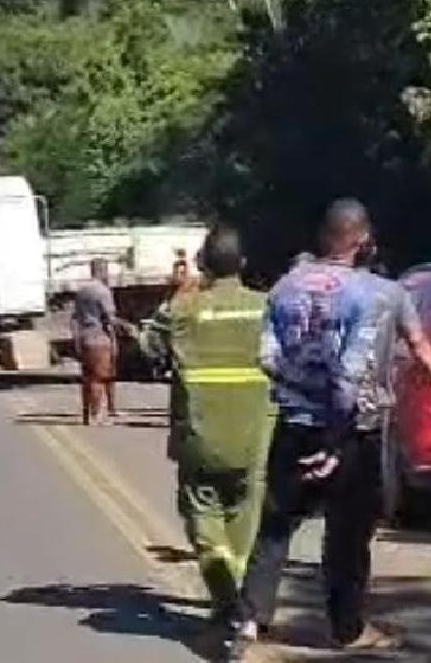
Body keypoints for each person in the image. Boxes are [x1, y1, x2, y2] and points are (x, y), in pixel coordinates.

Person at [235, 200, 431, 657]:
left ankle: (250, 622)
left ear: (323, 235)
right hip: (353, 431)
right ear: (362, 239)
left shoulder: (285, 286)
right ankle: (346, 628)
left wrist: (302, 390)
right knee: (348, 535)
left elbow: (266, 358)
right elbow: (365, 367)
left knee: (276, 526)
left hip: (295, 424)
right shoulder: (381, 293)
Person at [165, 226, 273, 657]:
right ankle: (240, 609)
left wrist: (181, 293)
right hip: (254, 440)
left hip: (200, 438)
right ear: (244, 264)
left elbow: (148, 344)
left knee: (205, 523)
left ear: (202, 263)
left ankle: (229, 607)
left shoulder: (184, 310)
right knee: (243, 527)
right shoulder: (267, 309)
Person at [72, 259, 122, 425]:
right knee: (99, 378)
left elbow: (76, 317)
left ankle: (86, 414)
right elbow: (109, 318)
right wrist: (125, 328)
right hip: (100, 338)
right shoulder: (103, 292)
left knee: (87, 378)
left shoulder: (82, 291)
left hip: (84, 337)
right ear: (102, 271)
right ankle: (96, 415)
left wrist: (76, 338)